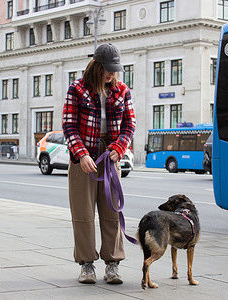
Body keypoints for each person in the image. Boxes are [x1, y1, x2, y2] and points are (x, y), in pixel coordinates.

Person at [62, 43, 136, 285]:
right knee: (83, 213)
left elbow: (129, 124)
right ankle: (86, 264)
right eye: (108, 69)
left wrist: (119, 147)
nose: (112, 74)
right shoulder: (77, 89)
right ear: (97, 65)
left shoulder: (122, 90)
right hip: (83, 152)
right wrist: (81, 154)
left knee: (111, 210)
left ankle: (113, 263)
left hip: (110, 154)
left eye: (115, 69)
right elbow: (69, 124)